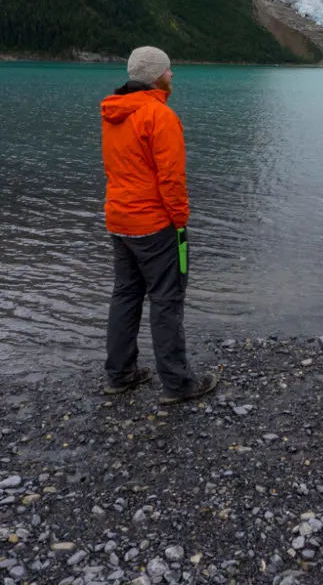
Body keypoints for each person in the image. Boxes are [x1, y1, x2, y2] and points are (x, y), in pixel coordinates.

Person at [100, 46, 217, 403]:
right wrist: (179, 221)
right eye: (168, 71)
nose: (172, 75)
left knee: (126, 295)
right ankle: (178, 383)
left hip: (119, 218)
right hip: (154, 224)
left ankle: (120, 375)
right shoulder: (159, 115)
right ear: (155, 76)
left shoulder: (113, 113)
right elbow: (171, 179)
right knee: (166, 300)